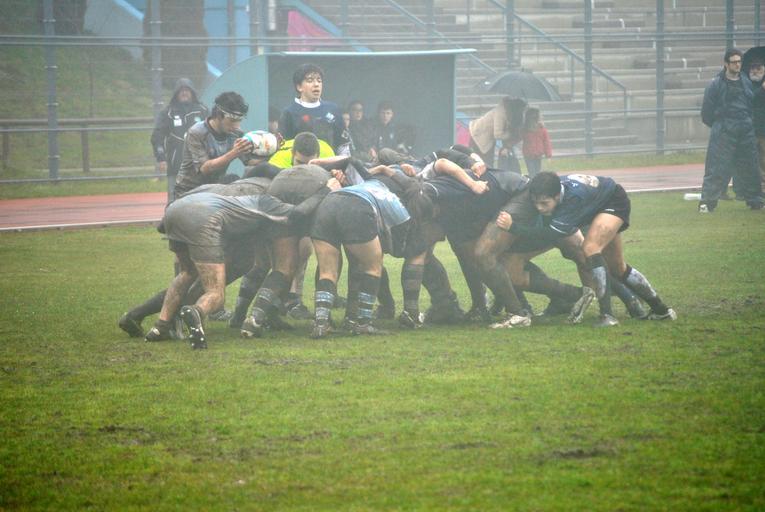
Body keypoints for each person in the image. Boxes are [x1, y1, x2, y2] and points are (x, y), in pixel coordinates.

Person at [144, 179, 339, 349]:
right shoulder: (267, 201)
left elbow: (161, 227)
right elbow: (298, 213)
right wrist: (326, 190)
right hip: (205, 219)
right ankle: (196, 311)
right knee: (216, 293)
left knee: (187, 273)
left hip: (174, 211)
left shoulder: (236, 198)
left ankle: (160, 326)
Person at [500, 172, 677, 327]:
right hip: (600, 203)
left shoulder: (573, 199)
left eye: (544, 203)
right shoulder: (554, 189)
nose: (539, 208)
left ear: (557, 196)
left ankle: (607, 315)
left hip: (613, 201)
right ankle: (661, 310)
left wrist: (513, 227)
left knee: (590, 248)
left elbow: (550, 234)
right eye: (535, 203)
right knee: (617, 267)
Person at [309, 164, 435, 338]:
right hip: (357, 207)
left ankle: (321, 325)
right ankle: (363, 324)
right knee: (373, 267)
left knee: (327, 272)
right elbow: (401, 250)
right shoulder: (400, 210)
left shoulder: (375, 184)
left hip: (328, 203)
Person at [699, 48, 764, 212]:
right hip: (724, 129)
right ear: (726, 64)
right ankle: (707, 202)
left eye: (739, 62)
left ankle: (755, 200)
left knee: (750, 165)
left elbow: (750, 104)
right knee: (716, 167)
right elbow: (706, 112)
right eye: (734, 62)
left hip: (745, 128)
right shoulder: (715, 84)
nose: (737, 65)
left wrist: (747, 122)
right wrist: (719, 125)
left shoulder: (746, 81)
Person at [174, 91, 255, 199]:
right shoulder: (196, 132)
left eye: (239, 121)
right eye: (232, 120)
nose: (236, 126)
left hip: (215, 190)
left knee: (234, 180)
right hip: (188, 192)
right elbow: (205, 168)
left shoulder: (236, 133)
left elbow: (250, 162)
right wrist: (234, 153)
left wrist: (269, 149)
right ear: (218, 115)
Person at [150, 78, 208, 202]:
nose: (184, 93)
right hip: (175, 164)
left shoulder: (202, 110)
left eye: (187, 90)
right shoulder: (168, 112)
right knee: (174, 199)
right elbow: (157, 136)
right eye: (181, 90)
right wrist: (161, 158)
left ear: (192, 92)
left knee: (199, 199)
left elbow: (212, 133)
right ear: (176, 93)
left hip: (199, 165)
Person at [278, 63, 345, 151]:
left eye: (319, 80)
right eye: (310, 80)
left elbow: (343, 145)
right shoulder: (289, 112)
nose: (316, 84)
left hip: (331, 159)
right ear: (299, 87)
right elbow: (284, 147)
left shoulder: (333, 109)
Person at [468, 96, 526, 169]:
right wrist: (510, 134)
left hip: (485, 137)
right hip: (479, 138)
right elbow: (498, 134)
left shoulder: (508, 113)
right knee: (482, 164)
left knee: (487, 164)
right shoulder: (500, 113)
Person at [748, 57, 765, 186]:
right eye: (752, 68)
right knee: (752, 157)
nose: (755, 71)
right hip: (751, 128)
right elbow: (750, 99)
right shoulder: (746, 83)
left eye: (758, 68)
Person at [522, 107, 553, 178]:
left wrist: (548, 155)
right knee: (532, 172)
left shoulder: (541, 129)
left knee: (536, 172)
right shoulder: (525, 129)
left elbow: (546, 142)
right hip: (529, 155)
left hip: (538, 155)